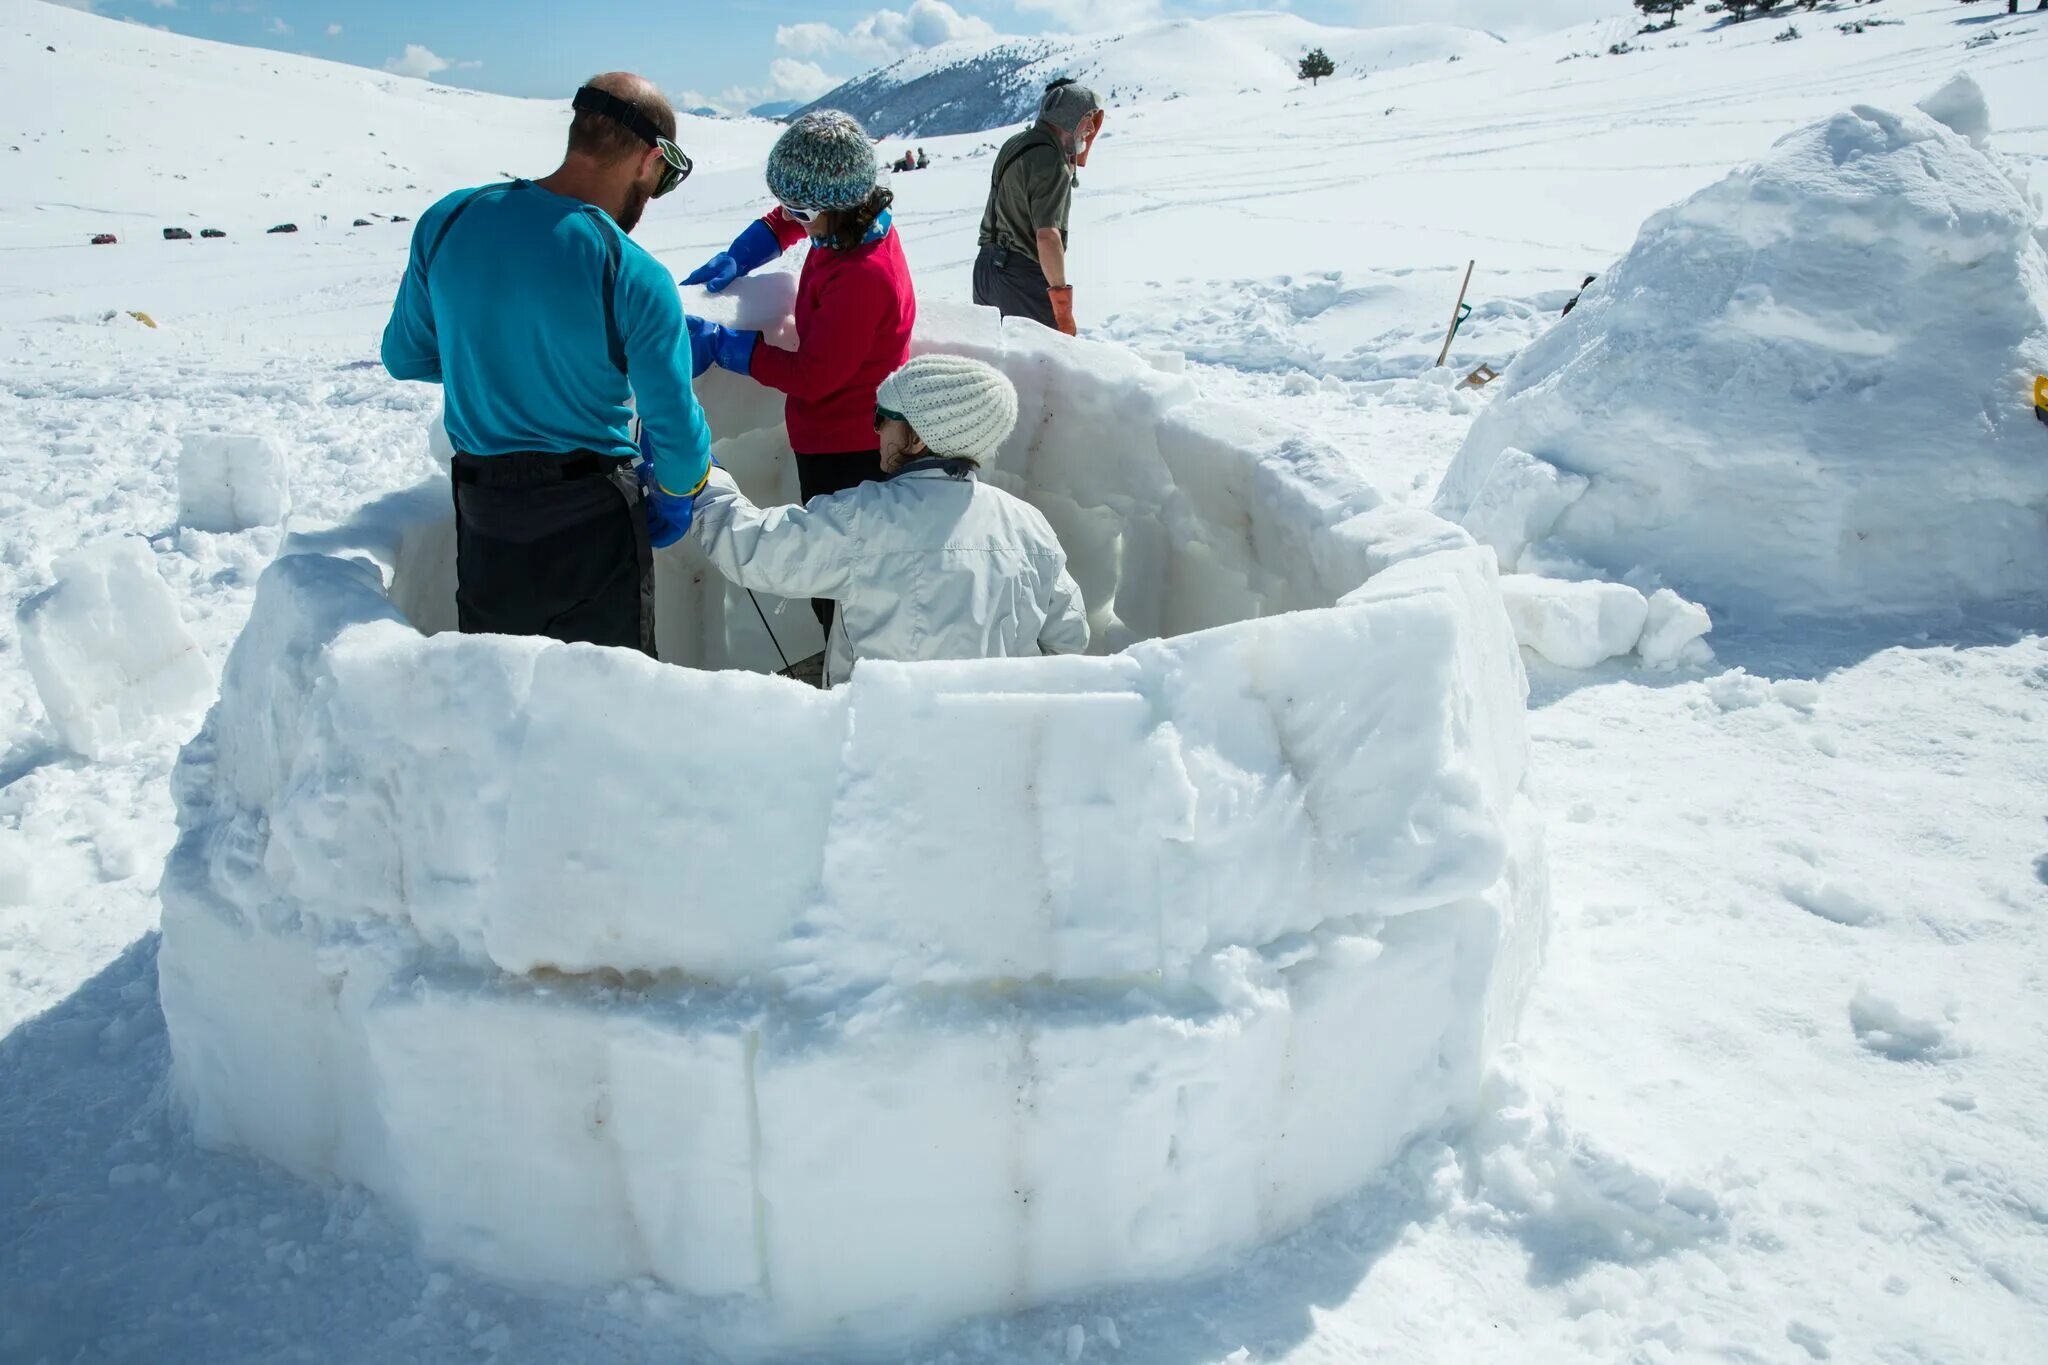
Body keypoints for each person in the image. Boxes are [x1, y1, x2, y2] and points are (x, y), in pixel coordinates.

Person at [381, 73, 711, 656]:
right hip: (594, 517)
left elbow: (405, 356)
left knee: (497, 687)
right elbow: (678, 438)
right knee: (610, 700)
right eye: (665, 178)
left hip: (486, 512)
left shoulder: (450, 219)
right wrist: (680, 495)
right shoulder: (632, 270)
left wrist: (495, 361)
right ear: (650, 160)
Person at [688, 355, 1090, 686]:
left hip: (879, 753)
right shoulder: (1029, 526)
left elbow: (753, 550)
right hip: (992, 754)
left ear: (917, 438)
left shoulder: (862, 517)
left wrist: (705, 480)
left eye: (884, 417)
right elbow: (1068, 642)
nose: (875, 428)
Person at [681, 110, 917, 634]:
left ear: (841, 203)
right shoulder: (847, 223)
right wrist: (741, 255)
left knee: (841, 584)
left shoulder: (863, 275)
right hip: (833, 434)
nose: (792, 218)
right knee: (835, 573)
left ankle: (850, 677)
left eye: (801, 209)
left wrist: (729, 347)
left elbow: (814, 375)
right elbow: (792, 218)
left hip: (850, 447)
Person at [973, 78, 1103, 337]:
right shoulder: (1051, 162)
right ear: (1069, 117)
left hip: (986, 270)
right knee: (1046, 366)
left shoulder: (1016, 143)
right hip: (1020, 278)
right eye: (1087, 118)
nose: (1090, 128)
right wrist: (1062, 307)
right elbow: (1047, 236)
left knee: (997, 360)